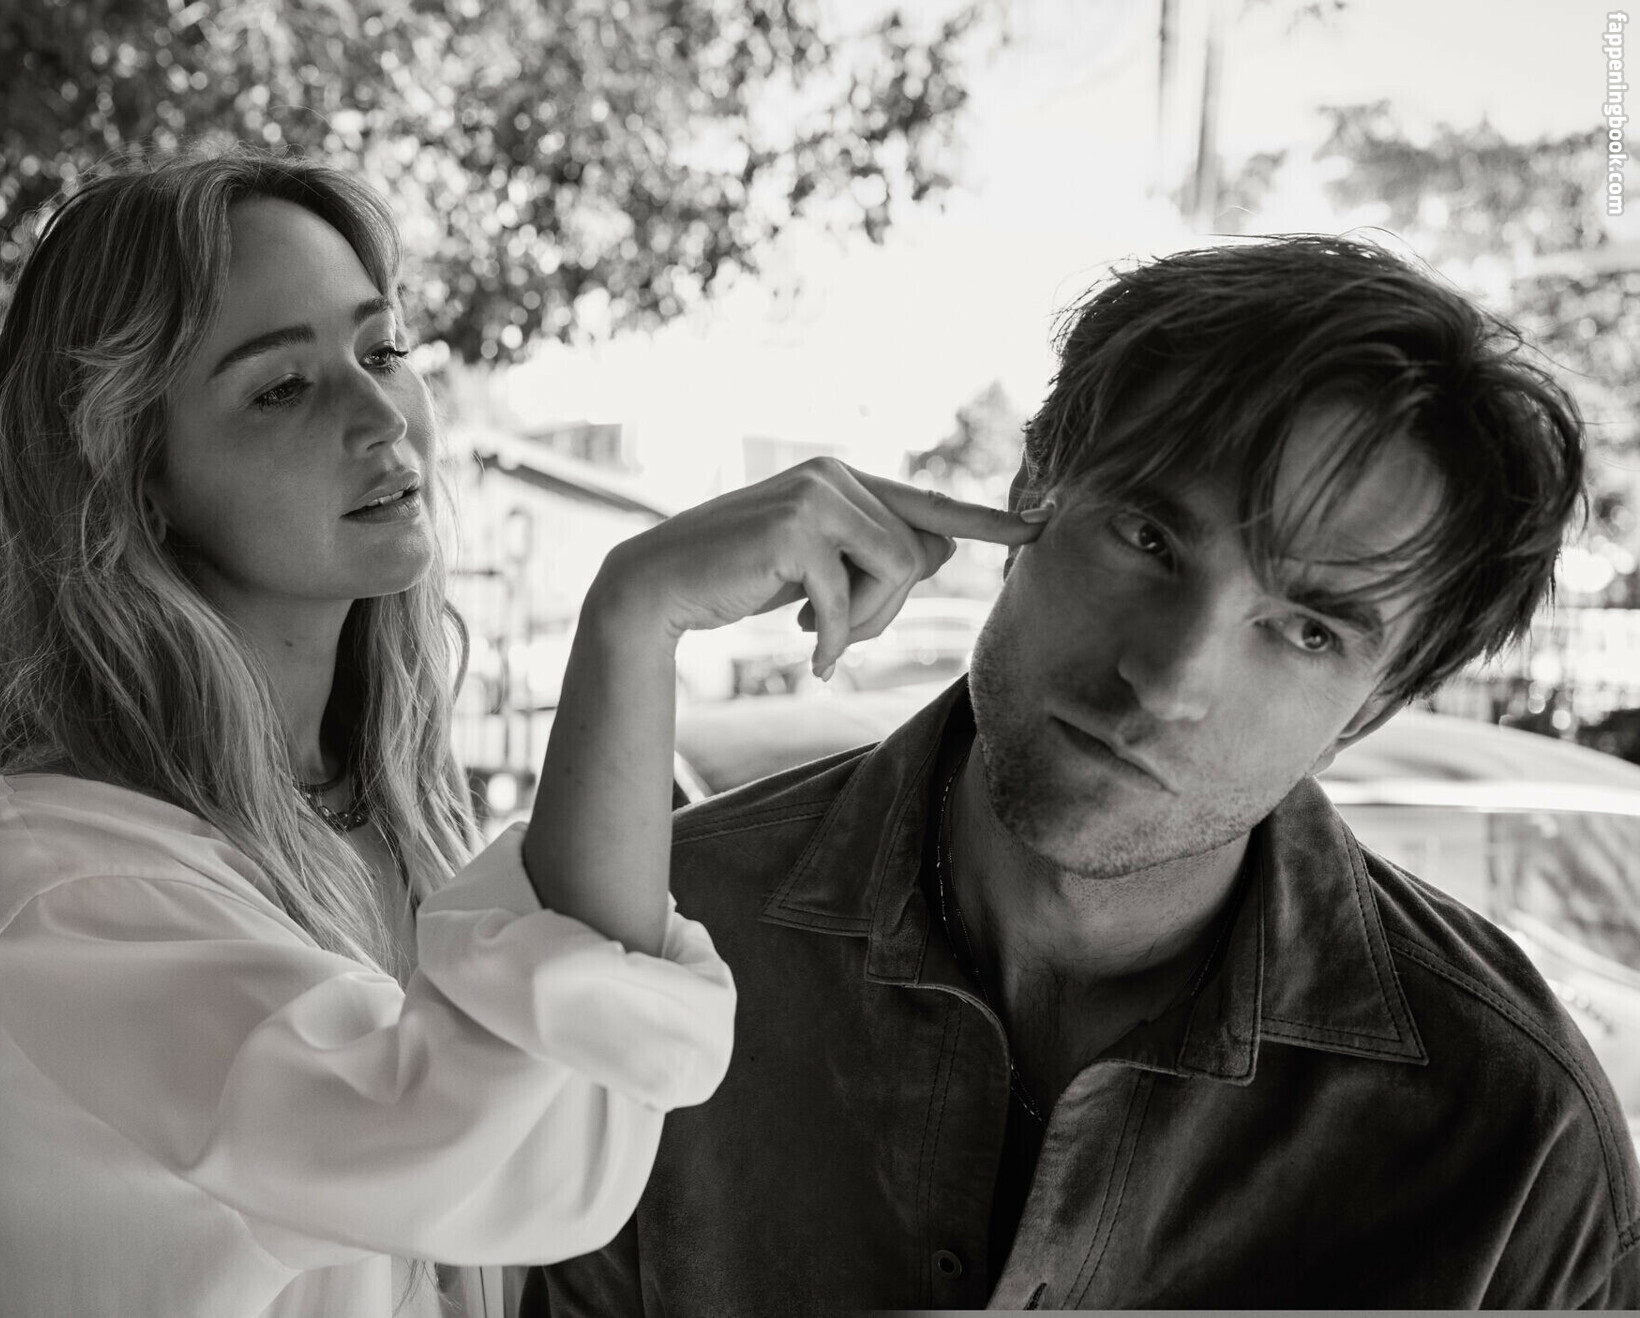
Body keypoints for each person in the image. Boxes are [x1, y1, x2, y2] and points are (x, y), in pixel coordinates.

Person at [0, 144, 1042, 1318]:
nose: (382, 413)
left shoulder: (381, 813)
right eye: (282, 387)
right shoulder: (52, 869)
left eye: (383, 349)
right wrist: (634, 616)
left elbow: (572, 1123)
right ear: (134, 473)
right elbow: (477, 1153)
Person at [528, 234, 1640, 1313]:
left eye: (1307, 631)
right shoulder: (660, 923)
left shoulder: (1513, 1133)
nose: (1168, 680)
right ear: (1034, 493)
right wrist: (633, 611)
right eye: (1151, 538)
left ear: (1374, 709)